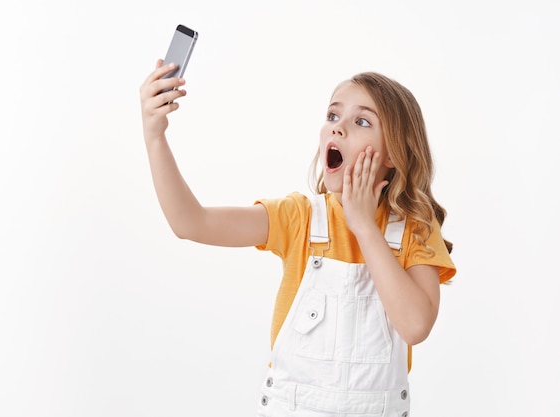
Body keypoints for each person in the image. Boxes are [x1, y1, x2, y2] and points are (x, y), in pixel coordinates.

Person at [140, 59, 456, 417]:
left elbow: (415, 326)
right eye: (333, 116)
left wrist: (364, 226)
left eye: (362, 121)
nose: (338, 129)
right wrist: (155, 136)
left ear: (396, 153)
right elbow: (190, 222)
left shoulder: (416, 227)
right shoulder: (300, 218)